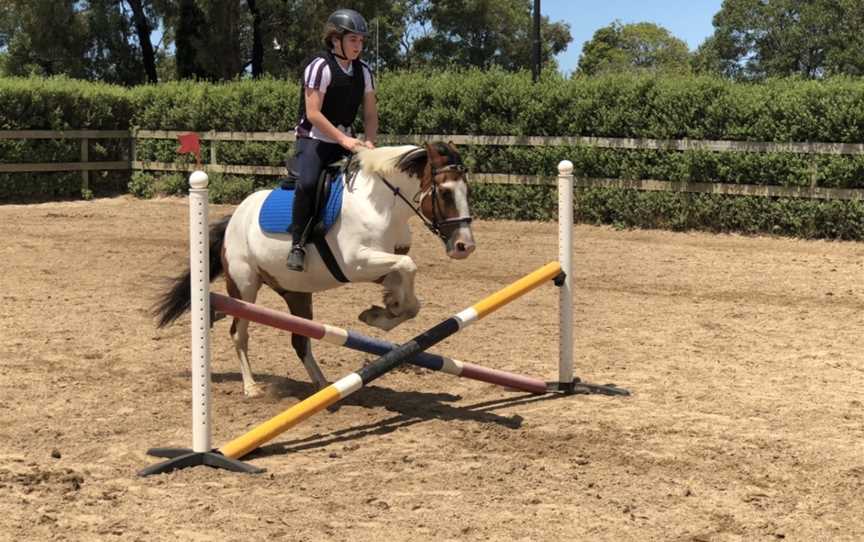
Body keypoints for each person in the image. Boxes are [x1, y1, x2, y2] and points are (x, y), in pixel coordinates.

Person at [286, 8, 378, 271]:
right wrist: (345, 140)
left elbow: (370, 114)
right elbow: (313, 114)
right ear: (335, 40)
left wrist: (370, 141)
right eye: (353, 40)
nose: (358, 46)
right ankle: (297, 245)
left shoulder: (365, 72)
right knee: (307, 184)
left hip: (346, 140)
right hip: (314, 140)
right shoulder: (319, 67)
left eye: (361, 41)